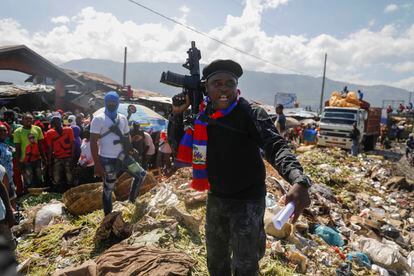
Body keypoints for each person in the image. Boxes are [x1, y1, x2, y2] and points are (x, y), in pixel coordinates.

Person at [169, 59, 311, 275]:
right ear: (206, 87)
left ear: (236, 87)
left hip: (248, 202)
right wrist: (177, 114)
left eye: (230, 83)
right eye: (217, 83)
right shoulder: (202, 116)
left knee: (245, 266)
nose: (224, 88)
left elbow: (276, 145)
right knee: (216, 263)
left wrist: (298, 179)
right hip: (216, 198)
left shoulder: (251, 113)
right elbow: (177, 146)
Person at [90, 91, 147, 215]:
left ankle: (131, 201)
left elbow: (127, 136)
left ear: (117, 103)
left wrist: (130, 148)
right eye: (109, 102)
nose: (111, 104)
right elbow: (93, 142)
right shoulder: (98, 119)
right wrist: (97, 164)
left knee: (141, 174)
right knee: (108, 189)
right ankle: (108, 216)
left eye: (114, 102)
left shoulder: (122, 118)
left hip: (123, 156)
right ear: (105, 102)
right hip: (106, 159)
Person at [13, 113, 46, 191]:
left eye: (30, 119)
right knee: (29, 179)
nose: (29, 120)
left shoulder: (37, 129)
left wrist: (44, 158)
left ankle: (40, 195)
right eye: (26, 119)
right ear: (22, 120)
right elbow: (17, 149)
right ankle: (29, 197)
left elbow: (40, 145)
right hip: (25, 161)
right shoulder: (18, 131)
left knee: (39, 178)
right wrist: (18, 162)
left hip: (37, 159)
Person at [45, 115, 75, 191]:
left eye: (57, 121)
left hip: (67, 157)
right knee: (57, 176)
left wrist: (72, 156)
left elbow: (72, 144)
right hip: (57, 157)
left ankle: (70, 190)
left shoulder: (69, 130)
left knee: (69, 175)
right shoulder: (49, 133)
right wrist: (49, 160)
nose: (57, 123)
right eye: (55, 122)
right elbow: (50, 148)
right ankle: (59, 190)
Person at [0, 164, 16, 252]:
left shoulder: (1, 168)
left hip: (1, 217)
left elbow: (2, 188)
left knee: (9, 247)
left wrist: (9, 210)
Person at [0, 125, 16, 209]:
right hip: (2, 179)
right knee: (5, 201)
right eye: (1, 131)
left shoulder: (5, 145)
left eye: (5, 130)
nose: (3, 133)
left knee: (12, 198)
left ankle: (14, 217)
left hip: (9, 177)